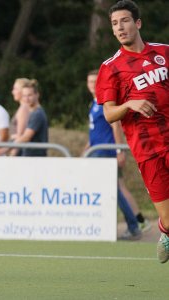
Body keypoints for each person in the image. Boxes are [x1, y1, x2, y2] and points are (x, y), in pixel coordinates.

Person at [95, 0, 168, 261]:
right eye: (115, 24)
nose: (120, 27)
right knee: (168, 219)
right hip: (147, 150)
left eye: (124, 21)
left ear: (137, 23)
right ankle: (165, 230)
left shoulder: (164, 53)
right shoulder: (110, 68)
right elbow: (109, 113)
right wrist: (130, 104)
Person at [85, 69, 149, 240]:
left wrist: (120, 149)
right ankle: (137, 221)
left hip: (105, 152)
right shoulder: (93, 103)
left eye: (94, 81)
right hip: (96, 151)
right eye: (89, 82)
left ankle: (135, 225)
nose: (91, 85)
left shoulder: (105, 101)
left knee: (115, 189)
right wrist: (86, 148)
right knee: (117, 187)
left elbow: (116, 126)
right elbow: (95, 131)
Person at [9, 79, 48, 157]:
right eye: (24, 96)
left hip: (34, 158)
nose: (26, 99)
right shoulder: (33, 113)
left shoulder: (37, 114)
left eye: (29, 95)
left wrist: (6, 148)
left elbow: (26, 137)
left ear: (37, 95)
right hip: (28, 156)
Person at [9, 78, 32, 156]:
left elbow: (20, 135)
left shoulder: (24, 109)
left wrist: (13, 153)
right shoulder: (22, 108)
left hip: (19, 151)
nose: (13, 92)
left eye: (15, 89)